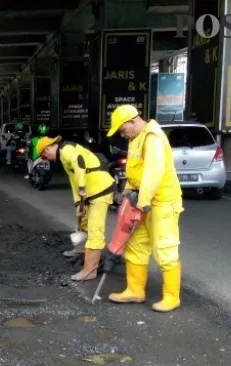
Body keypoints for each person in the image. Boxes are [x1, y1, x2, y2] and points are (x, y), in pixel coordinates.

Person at [105, 104, 183, 313]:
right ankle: (135, 289)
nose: (123, 134)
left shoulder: (153, 136)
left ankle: (171, 296)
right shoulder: (135, 139)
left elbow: (153, 171)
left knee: (163, 247)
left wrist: (143, 201)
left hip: (161, 201)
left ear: (132, 121)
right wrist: (127, 195)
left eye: (123, 129)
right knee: (135, 244)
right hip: (142, 201)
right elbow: (133, 169)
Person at [36, 134, 116, 281]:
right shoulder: (63, 156)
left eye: (45, 156)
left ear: (47, 149)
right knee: (82, 222)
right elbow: (73, 181)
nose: (48, 160)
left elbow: (79, 163)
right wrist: (78, 204)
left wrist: (82, 187)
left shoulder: (66, 149)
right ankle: (80, 250)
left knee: (94, 230)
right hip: (89, 194)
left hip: (100, 190)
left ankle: (90, 270)